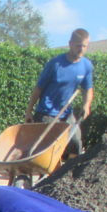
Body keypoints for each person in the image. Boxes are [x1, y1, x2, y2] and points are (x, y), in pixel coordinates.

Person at [25, 28, 94, 159]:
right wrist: (29, 111)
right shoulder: (55, 64)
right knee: (51, 148)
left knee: (75, 142)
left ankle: (69, 172)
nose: (81, 49)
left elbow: (88, 89)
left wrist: (86, 105)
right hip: (46, 113)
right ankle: (49, 173)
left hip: (66, 113)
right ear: (70, 44)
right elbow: (38, 89)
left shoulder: (86, 66)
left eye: (84, 46)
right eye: (78, 46)